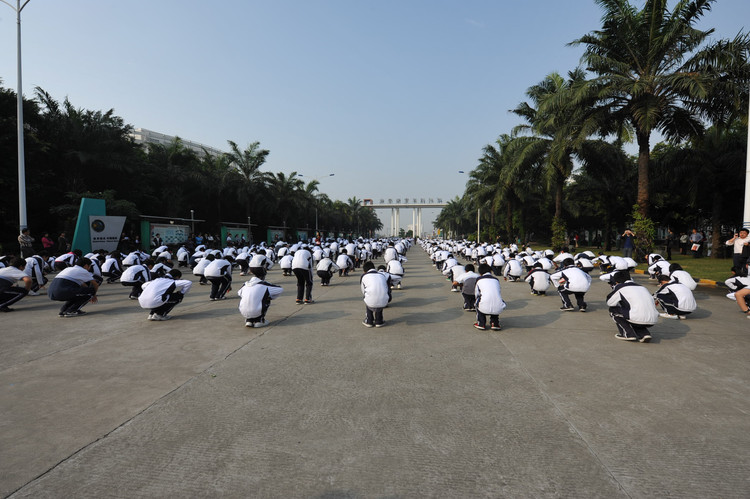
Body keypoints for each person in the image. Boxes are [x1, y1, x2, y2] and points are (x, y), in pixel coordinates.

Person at [606, 271, 659, 342]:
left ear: (616, 281)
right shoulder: (642, 287)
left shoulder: (620, 287)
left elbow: (610, 303)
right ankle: (644, 334)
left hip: (636, 316)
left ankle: (627, 334)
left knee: (613, 310)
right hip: (653, 319)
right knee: (634, 313)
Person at [473, 263, 506, 331]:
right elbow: (498, 291)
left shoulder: (479, 279)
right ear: (490, 271)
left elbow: (477, 293)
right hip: (498, 306)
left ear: (480, 273)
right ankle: (495, 323)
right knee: (495, 299)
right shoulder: (496, 279)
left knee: (477, 301)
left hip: (484, 306)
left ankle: (481, 323)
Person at [360, 261, 390, 327]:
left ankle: (369, 320)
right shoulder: (382, 275)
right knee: (379, 295)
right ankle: (379, 321)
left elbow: (363, 290)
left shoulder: (364, 276)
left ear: (365, 270)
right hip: (384, 301)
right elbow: (386, 288)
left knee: (368, 296)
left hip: (370, 301)